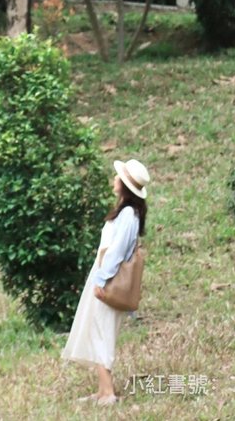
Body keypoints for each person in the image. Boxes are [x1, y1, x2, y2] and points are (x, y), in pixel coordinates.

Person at [61, 157, 150, 405]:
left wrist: (101, 279)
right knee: (98, 329)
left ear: (123, 185)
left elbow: (116, 251)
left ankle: (108, 392)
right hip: (103, 273)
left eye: (117, 177)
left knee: (102, 331)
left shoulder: (128, 216)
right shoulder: (126, 213)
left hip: (108, 276)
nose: (114, 179)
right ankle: (102, 390)